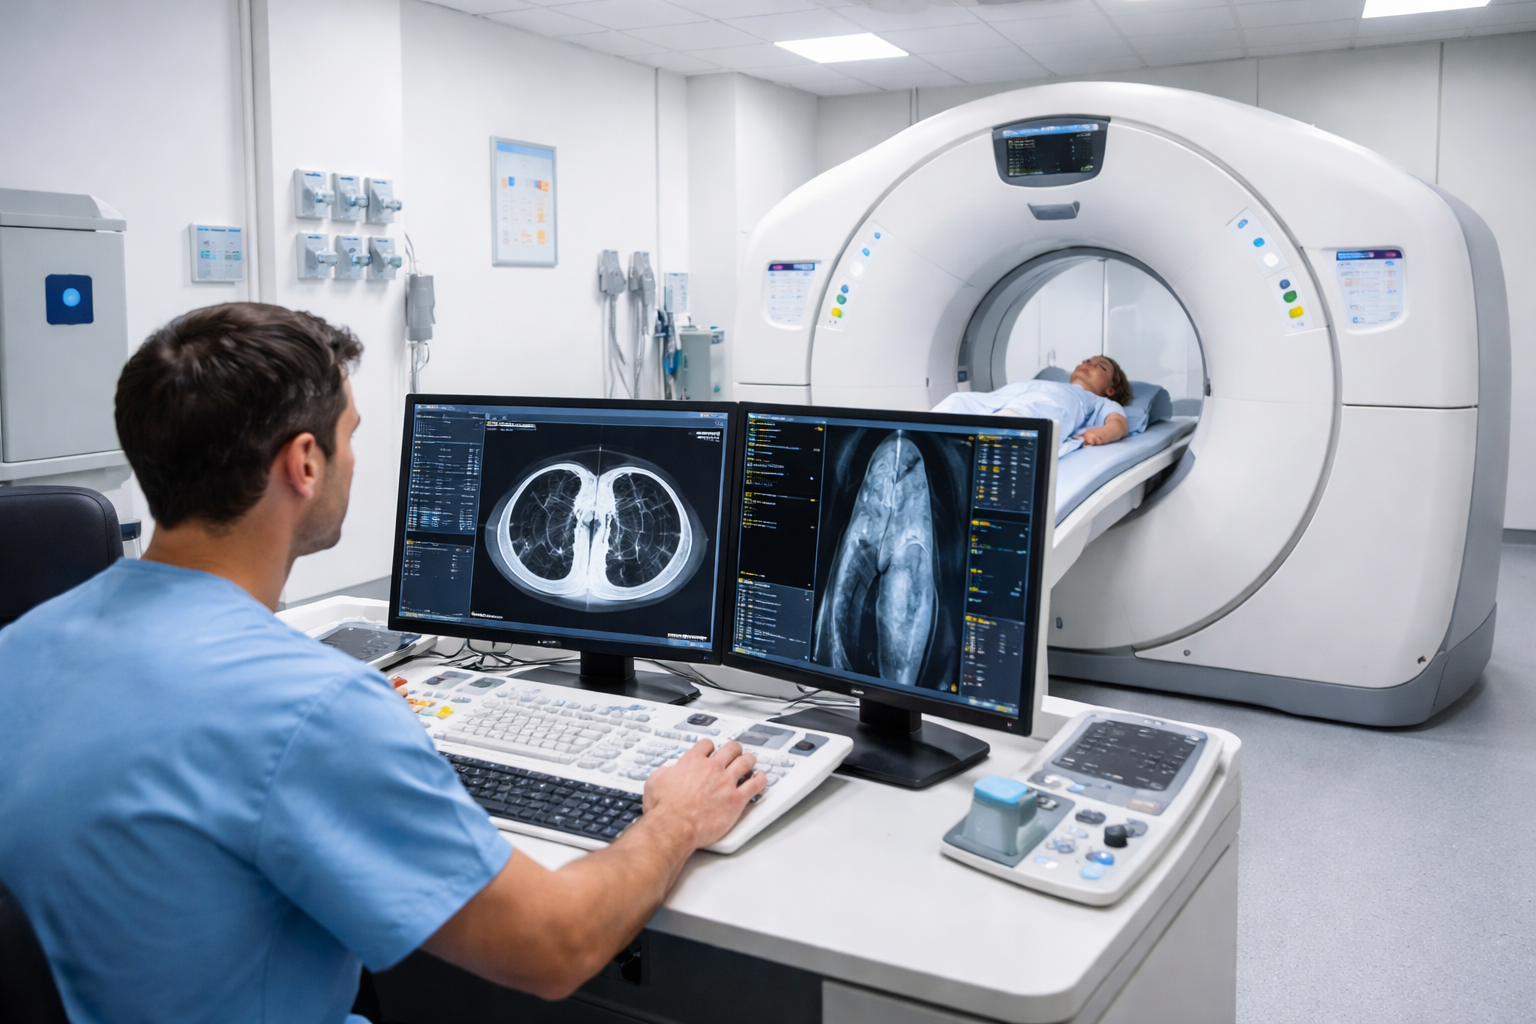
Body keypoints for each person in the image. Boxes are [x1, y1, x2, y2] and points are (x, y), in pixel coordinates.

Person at [0, 302, 766, 1024]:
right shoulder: (310, 710)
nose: (354, 459)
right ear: (305, 462)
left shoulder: (21, 644)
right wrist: (675, 821)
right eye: (351, 433)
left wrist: (352, 744)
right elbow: (555, 948)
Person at [933, 355, 1137, 455]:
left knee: (1036, 407)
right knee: (958, 400)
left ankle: (986, 435)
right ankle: (925, 430)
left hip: (1033, 409)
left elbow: (1119, 424)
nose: (1087, 363)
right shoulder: (1047, 383)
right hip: (999, 400)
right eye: (1086, 360)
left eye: (1098, 366)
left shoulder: (1097, 401)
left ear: (1111, 389)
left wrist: (1100, 434)